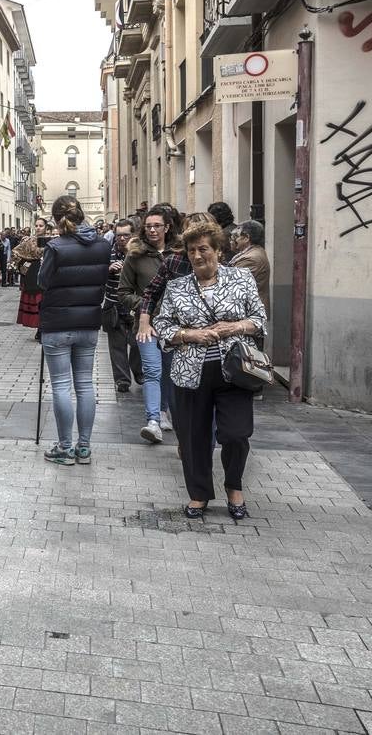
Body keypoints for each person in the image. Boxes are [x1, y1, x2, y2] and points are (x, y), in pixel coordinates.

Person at [153, 220, 266, 520]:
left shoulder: (241, 278)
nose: (197, 255)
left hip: (236, 370)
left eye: (203, 248)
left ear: (218, 249)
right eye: (191, 250)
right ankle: (199, 494)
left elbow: (259, 319)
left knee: (236, 434)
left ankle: (234, 486)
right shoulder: (176, 287)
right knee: (193, 438)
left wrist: (234, 326)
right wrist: (190, 335)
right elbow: (162, 325)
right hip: (190, 373)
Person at [37, 197, 112, 466]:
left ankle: (65, 447)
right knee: (84, 384)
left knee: (60, 385)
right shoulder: (104, 245)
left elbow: (42, 282)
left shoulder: (55, 246)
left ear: (57, 219)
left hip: (57, 323)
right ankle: (84, 447)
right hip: (88, 322)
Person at [120, 204, 182, 444]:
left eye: (157, 226)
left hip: (176, 325)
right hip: (146, 325)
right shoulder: (135, 255)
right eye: (148, 227)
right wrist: (144, 307)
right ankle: (153, 421)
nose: (152, 230)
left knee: (171, 372)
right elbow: (123, 291)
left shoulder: (180, 253)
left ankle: (165, 412)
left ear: (167, 227)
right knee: (152, 371)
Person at [104, 219, 142, 393]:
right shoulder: (107, 253)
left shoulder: (140, 254)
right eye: (119, 235)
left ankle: (138, 372)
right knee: (117, 346)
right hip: (113, 305)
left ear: (132, 235)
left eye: (126, 235)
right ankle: (122, 381)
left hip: (135, 306)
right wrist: (108, 269)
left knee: (137, 344)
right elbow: (96, 276)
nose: (122, 239)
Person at [229, 220, 271, 334]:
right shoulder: (252, 253)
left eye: (235, 237)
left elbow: (230, 283)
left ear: (246, 238)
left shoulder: (251, 258)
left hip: (249, 315)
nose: (232, 240)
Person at [13, 218, 49, 331]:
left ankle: (44, 326)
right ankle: (39, 327)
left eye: (41, 225)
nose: (38, 228)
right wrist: (25, 265)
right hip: (33, 273)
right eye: (37, 225)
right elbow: (16, 252)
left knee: (45, 300)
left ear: (46, 227)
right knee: (36, 299)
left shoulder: (51, 240)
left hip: (47, 271)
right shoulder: (29, 240)